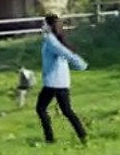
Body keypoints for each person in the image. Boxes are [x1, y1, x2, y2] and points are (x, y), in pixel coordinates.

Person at [36, 13, 89, 144]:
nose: (42, 26)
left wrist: (81, 65)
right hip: (62, 82)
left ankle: (50, 139)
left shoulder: (51, 40)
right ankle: (83, 136)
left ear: (48, 26)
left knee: (41, 108)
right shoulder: (56, 39)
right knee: (67, 111)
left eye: (43, 24)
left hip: (53, 82)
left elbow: (66, 53)